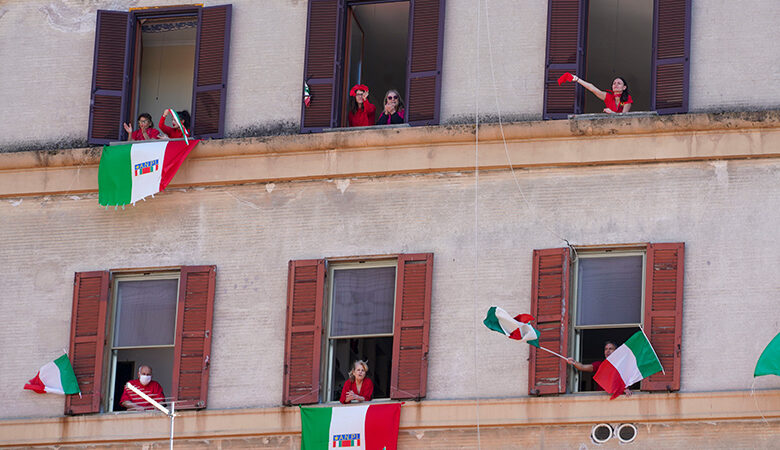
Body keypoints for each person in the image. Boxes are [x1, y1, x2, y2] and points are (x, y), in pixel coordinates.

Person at [567, 340, 633, 396]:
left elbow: (627, 381)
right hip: (601, 398)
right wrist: (573, 362)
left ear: (616, 351)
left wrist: (626, 389)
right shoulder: (600, 365)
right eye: (606, 349)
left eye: (610, 349)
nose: (608, 351)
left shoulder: (622, 366)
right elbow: (582, 367)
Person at [560, 73, 633, 113]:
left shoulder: (627, 98)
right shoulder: (608, 97)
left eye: (619, 83)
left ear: (624, 87)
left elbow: (624, 117)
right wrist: (577, 79)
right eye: (614, 83)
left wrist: (612, 113)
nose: (616, 85)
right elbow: (593, 89)